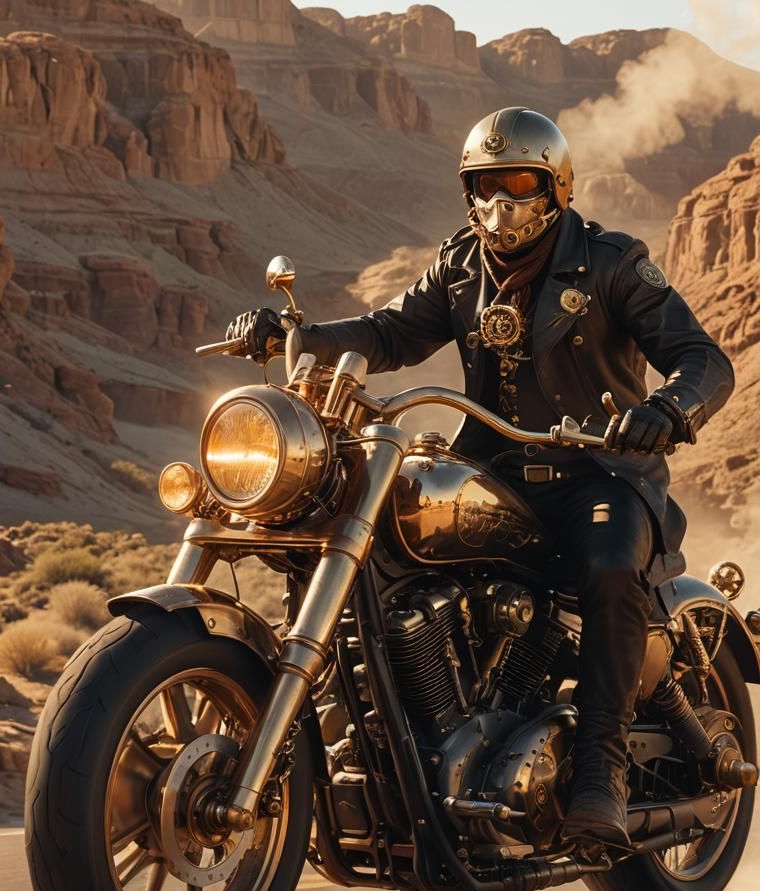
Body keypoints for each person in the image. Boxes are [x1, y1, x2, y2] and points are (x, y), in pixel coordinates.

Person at [223, 106, 735, 852]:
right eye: (486, 184)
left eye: (520, 182)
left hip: (600, 472)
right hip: (496, 471)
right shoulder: (460, 265)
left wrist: (668, 407)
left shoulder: (614, 263)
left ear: (556, 186)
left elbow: (704, 360)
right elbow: (389, 332)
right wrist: (295, 335)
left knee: (608, 567)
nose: (502, 201)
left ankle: (600, 770)